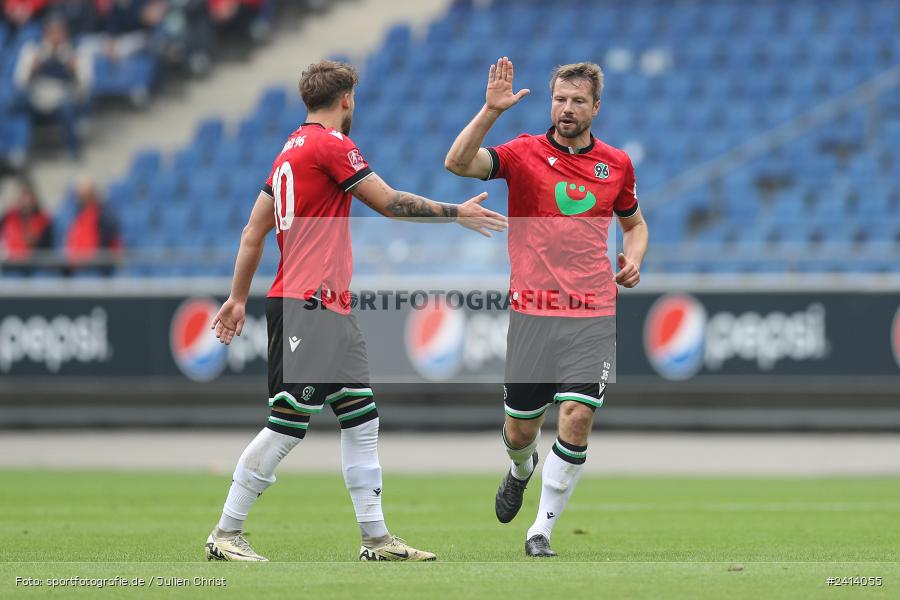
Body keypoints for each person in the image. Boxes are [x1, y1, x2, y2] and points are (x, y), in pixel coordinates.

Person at [205, 60, 507, 563]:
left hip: (326, 305)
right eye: (354, 99)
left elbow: (252, 231)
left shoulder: (288, 151)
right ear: (347, 99)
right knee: (288, 422)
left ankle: (376, 538)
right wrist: (458, 212)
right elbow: (388, 203)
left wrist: (238, 297)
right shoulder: (332, 144)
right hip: (310, 304)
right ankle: (225, 531)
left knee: (361, 419)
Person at [444, 58, 649, 557]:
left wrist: (635, 259)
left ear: (595, 107)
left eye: (578, 101)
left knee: (576, 417)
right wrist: (490, 111)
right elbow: (457, 162)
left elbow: (635, 224)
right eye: (560, 99)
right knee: (521, 430)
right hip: (533, 312)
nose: (567, 108)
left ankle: (540, 531)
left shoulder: (616, 164)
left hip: (593, 311)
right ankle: (520, 468)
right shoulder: (522, 154)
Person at [13, 14, 91, 158]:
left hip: (62, 99)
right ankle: (19, 152)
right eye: (52, 32)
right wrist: (30, 69)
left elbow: (85, 88)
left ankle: (73, 151)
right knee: (17, 106)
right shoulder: (33, 50)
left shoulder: (75, 52)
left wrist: (75, 72)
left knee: (68, 106)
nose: (55, 37)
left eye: (59, 32)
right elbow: (20, 83)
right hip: (38, 99)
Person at [62, 175, 122, 275]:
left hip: (97, 268)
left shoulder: (105, 214)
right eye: (80, 192)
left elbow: (109, 243)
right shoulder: (75, 214)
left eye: (85, 192)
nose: (81, 196)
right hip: (77, 267)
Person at [0, 178, 53, 274]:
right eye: (24, 197)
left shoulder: (44, 220)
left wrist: (37, 242)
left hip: (35, 264)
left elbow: (47, 244)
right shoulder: (8, 217)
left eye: (29, 198)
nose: (27, 202)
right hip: (12, 265)